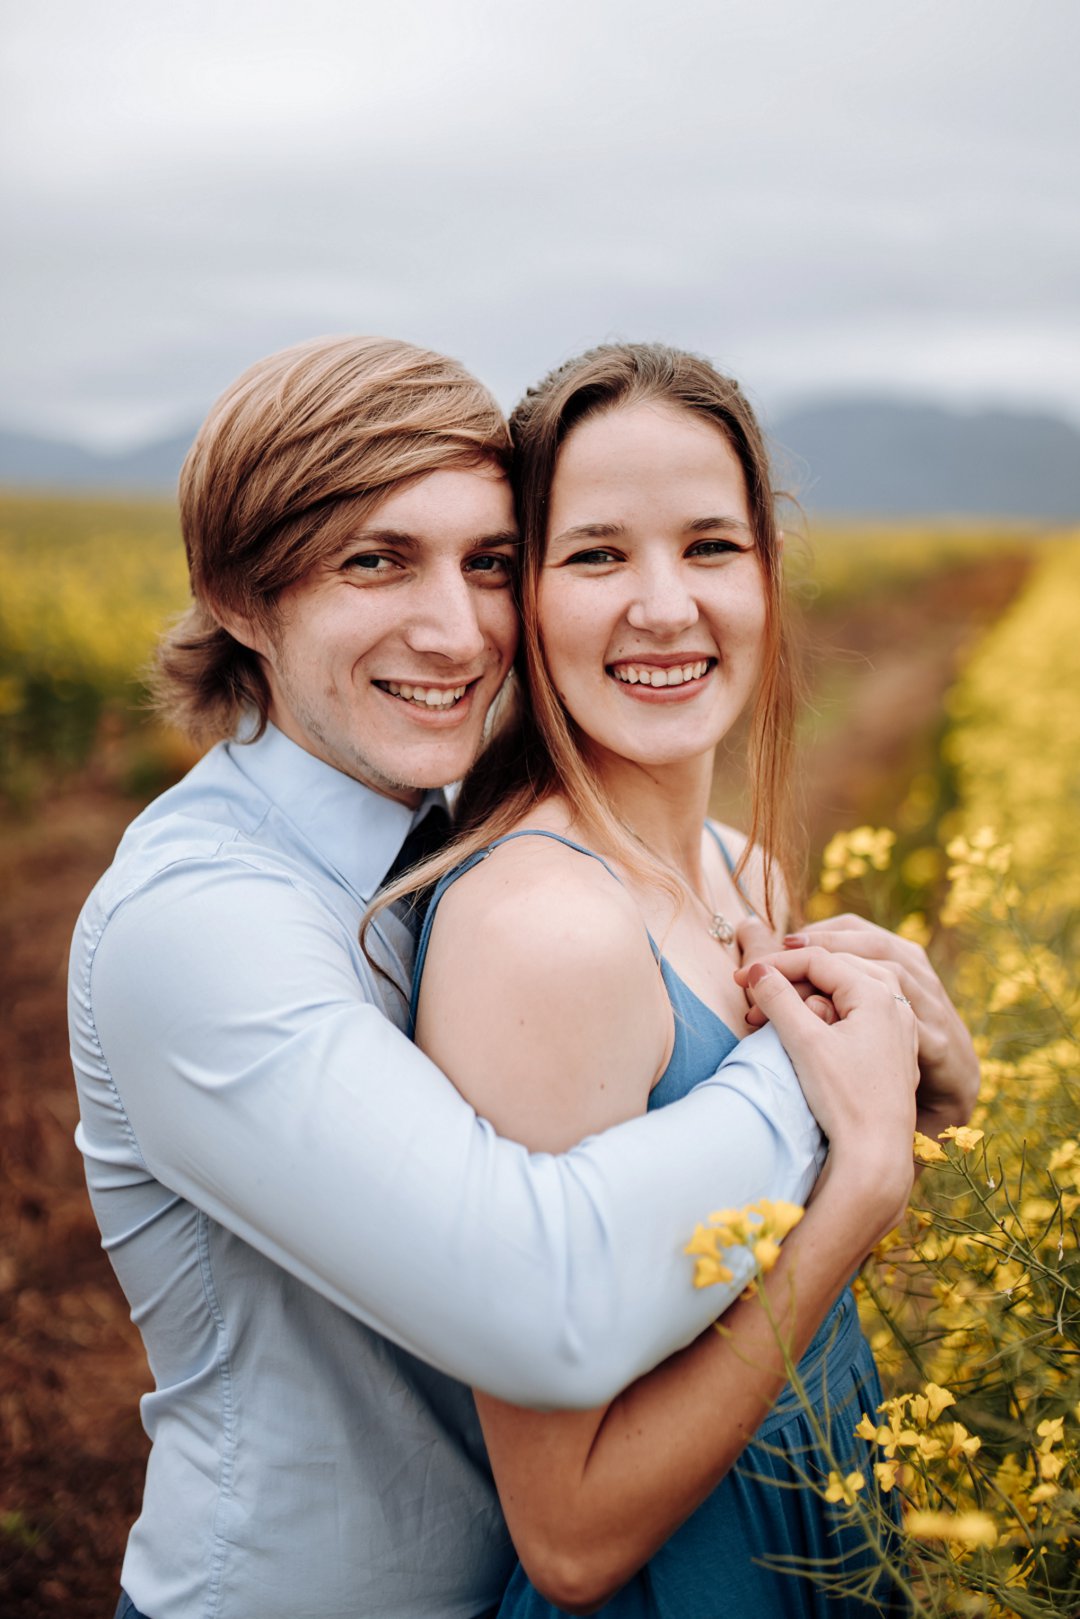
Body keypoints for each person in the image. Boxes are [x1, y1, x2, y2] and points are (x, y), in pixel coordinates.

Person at [68, 335, 977, 1619]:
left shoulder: (485, 844)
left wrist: (899, 1040)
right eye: (375, 560)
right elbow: (541, 1294)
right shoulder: (198, 924)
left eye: (490, 562)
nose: (458, 632)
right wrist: (824, 1081)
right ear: (236, 594)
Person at [395, 342, 979, 1615]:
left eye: (711, 545)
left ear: (769, 568)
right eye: (597, 554)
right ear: (521, 595)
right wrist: (863, 1186)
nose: (665, 607)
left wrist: (938, 1085)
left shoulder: (741, 868)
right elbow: (570, 1535)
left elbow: (732, 1271)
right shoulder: (544, 931)